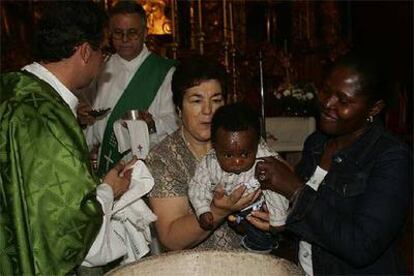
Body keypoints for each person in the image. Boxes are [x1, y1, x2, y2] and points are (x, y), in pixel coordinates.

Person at [0, 2, 133, 275]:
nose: (103, 62)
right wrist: (108, 190)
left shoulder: (10, 87)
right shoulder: (46, 116)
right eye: (103, 51)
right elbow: (66, 229)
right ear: (85, 51)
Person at [249, 52, 412, 275]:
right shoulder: (316, 143)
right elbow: (315, 225)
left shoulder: (392, 157)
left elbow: (361, 246)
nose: (327, 103)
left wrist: (295, 190)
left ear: (373, 109)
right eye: (325, 90)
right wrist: (279, 219)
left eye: (343, 100)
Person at [146, 56, 261, 251]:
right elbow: (171, 237)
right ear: (178, 108)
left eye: (216, 100)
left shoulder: (240, 138)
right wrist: (217, 211)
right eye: (196, 101)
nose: (208, 111)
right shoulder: (163, 158)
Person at [79, 1, 178, 177]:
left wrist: (152, 124)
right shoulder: (99, 67)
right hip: (108, 166)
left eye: (132, 33)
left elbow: (176, 122)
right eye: (118, 33)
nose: (124, 40)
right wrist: (83, 115)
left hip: (151, 167)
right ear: (109, 34)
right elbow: (87, 118)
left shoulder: (166, 72)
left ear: (145, 33)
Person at [188, 103, 289, 252]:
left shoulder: (265, 161)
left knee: (263, 234)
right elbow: (198, 186)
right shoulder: (210, 162)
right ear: (214, 147)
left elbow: (277, 190)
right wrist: (203, 210)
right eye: (228, 155)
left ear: (257, 145)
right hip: (230, 208)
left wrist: (278, 219)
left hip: (260, 204)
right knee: (242, 225)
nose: (237, 162)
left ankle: (263, 243)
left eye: (245, 154)